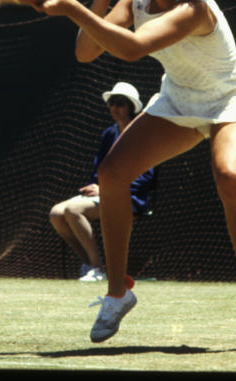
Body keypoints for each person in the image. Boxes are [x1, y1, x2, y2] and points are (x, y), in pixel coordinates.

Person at [30, 0, 236, 345]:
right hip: (179, 98)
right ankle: (117, 291)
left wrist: (70, 7)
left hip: (232, 99)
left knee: (230, 175)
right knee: (111, 174)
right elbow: (88, 52)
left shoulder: (195, 9)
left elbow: (131, 48)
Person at [49, 82, 156, 282]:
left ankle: (97, 268)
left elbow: (146, 177)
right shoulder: (109, 133)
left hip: (130, 198)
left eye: (120, 103)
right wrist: (95, 187)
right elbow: (100, 169)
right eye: (111, 103)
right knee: (56, 213)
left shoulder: (142, 134)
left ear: (131, 107)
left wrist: (106, 190)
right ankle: (90, 265)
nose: (114, 108)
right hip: (105, 193)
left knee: (73, 210)